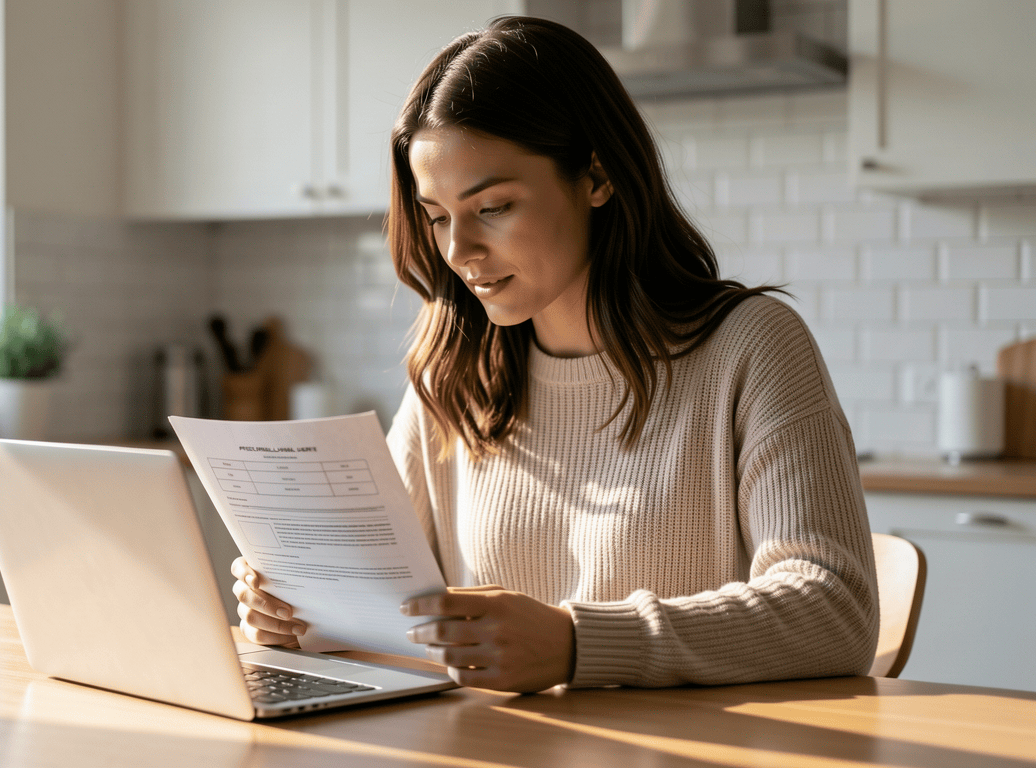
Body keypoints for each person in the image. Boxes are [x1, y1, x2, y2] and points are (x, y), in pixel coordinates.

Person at [231, 16, 878, 693]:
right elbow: (386, 599)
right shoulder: (452, 371)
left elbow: (835, 608)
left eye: (494, 206)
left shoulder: (751, 346)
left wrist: (578, 644)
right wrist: (296, 605)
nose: (458, 252)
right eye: (438, 215)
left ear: (596, 176)